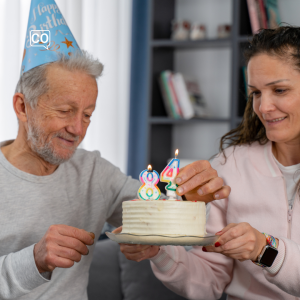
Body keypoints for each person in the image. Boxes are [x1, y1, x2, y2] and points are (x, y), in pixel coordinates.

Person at [0, 0, 230, 299]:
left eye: (87, 114)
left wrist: (194, 191)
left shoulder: (94, 172)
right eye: (65, 110)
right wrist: (34, 260)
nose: (78, 129)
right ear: (22, 106)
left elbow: (156, 211)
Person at [120, 26, 300, 300]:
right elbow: (209, 281)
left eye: (279, 90)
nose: (264, 107)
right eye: (256, 93)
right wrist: (159, 252)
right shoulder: (230, 166)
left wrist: (266, 249)